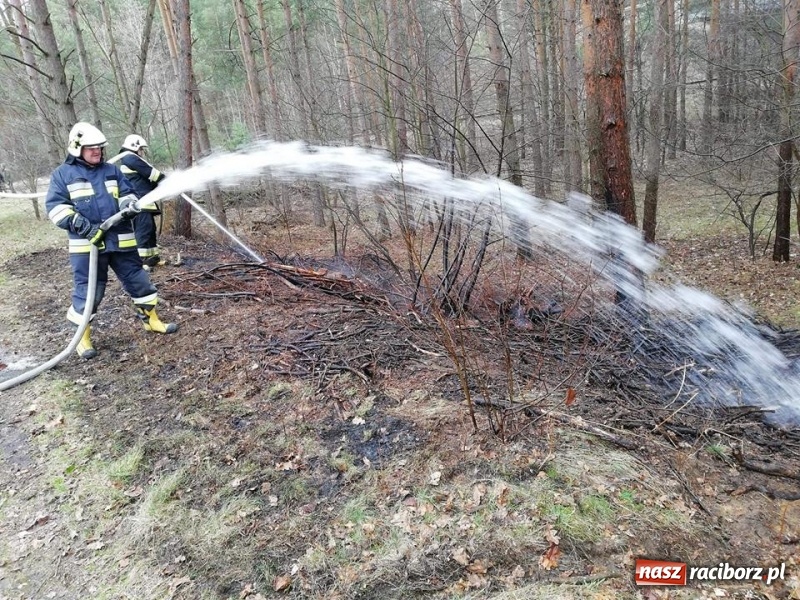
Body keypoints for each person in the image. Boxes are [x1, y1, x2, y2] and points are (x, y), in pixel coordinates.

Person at [45, 122, 177, 359]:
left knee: (140, 283)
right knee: (90, 292)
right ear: (77, 148)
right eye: (91, 147)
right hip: (88, 246)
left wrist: (128, 205)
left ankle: (152, 320)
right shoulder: (62, 175)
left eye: (100, 147)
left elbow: (128, 193)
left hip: (122, 241)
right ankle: (81, 338)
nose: (97, 151)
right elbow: (56, 209)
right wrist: (84, 227)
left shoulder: (111, 170)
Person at [107, 134, 166, 269]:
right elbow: (152, 174)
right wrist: (166, 180)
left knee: (150, 230)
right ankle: (141, 262)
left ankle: (152, 259)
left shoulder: (129, 159)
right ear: (135, 146)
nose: (142, 152)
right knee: (143, 231)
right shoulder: (130, 158)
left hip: (145, 200)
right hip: (139, 202)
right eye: (141, 149)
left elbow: (146, 180)